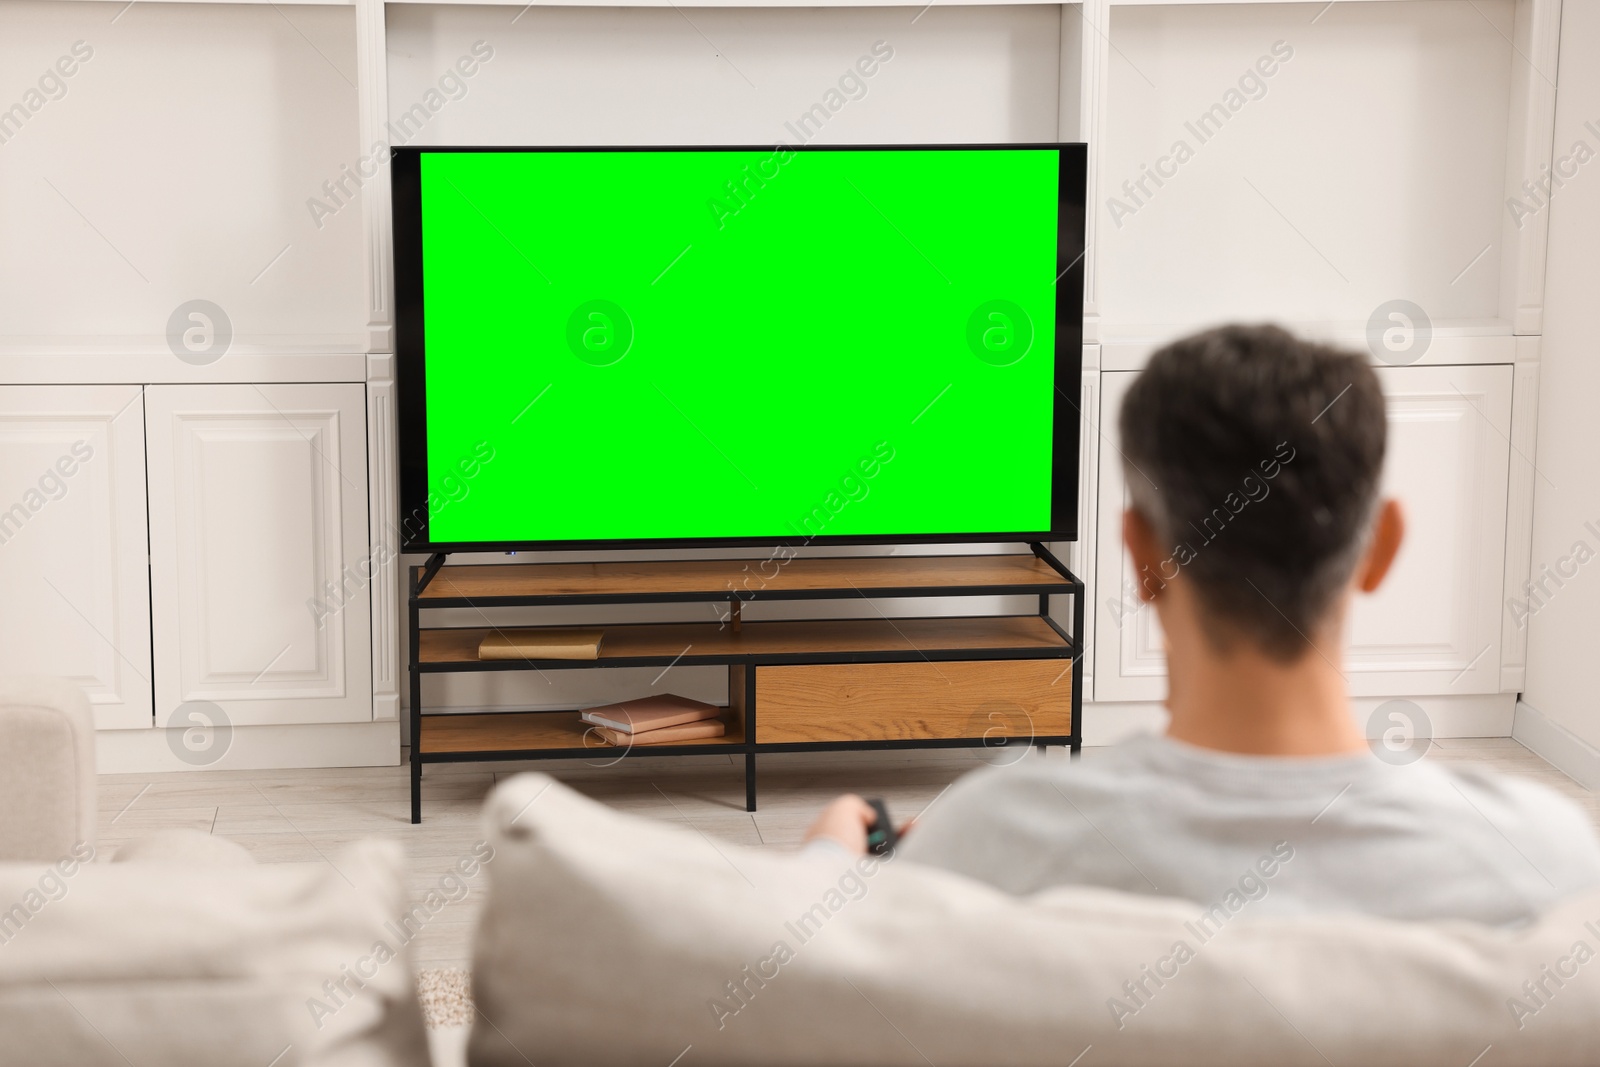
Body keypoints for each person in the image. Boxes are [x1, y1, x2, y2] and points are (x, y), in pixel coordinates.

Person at [804, 323, 1600, 926]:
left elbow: (828, 971)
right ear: (1382, 547)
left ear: (1139, 554)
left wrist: (830, 855)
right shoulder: (1552, 862)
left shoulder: (987, 840)